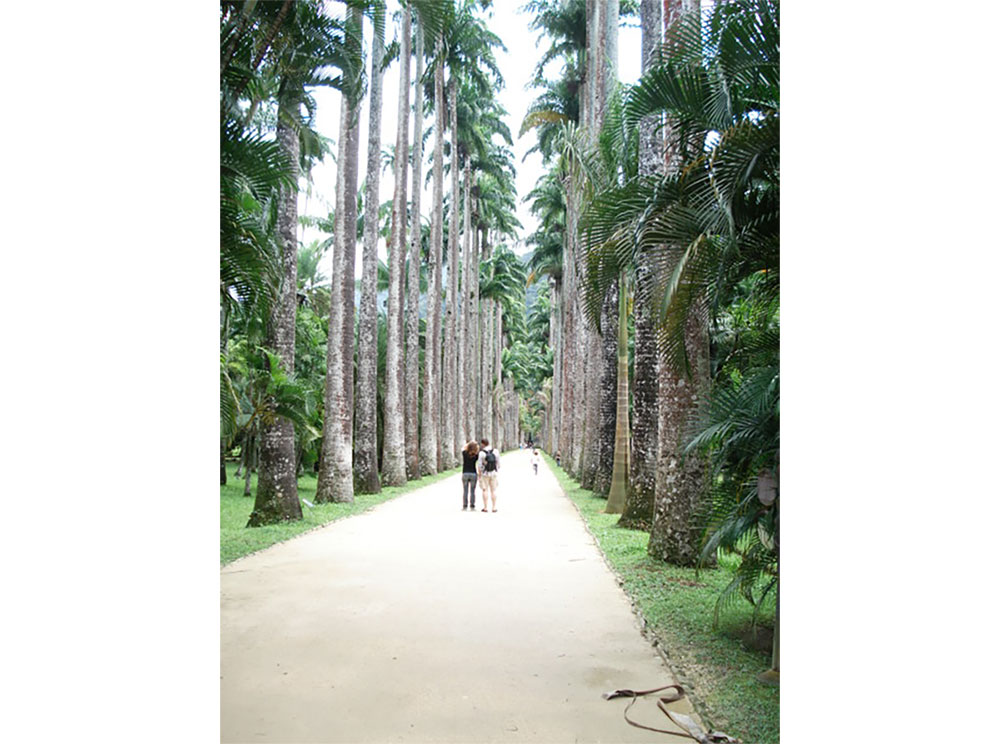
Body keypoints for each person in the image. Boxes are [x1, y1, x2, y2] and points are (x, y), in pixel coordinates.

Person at [476, 438, 500, 512]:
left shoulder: (481, 453)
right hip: (493, 473)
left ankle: (485, 507)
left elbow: (479, 465)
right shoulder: (495, 451)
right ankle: (494, 507)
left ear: (483, 444)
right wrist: (496, 469)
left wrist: (479, 474)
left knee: (485, 490)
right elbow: (498, 463)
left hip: (484, 473)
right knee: (493, 490)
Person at [461, 441, 479, 510]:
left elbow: (463, 448)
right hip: (473, 473)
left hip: (465, 473)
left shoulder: (464, 453)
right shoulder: (476, 455)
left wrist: (468, 444)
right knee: (472, 491)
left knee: (465, 490)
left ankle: (465, 506)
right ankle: (472, 506)